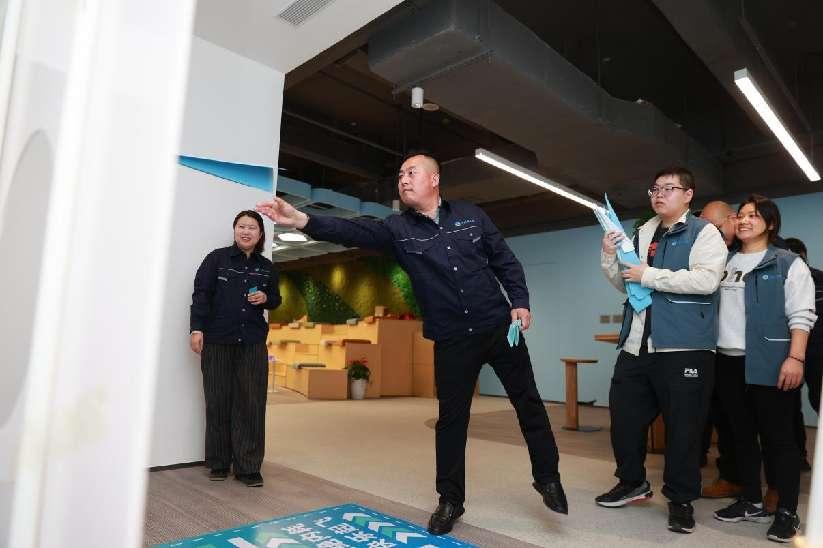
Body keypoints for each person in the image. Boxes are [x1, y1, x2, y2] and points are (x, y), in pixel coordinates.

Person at [256, 151, 567, 535]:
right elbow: (352, 230)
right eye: (400, 174)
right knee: (452, 421)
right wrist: (303, 219)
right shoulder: (397, 229)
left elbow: (505, 260)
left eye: (411, 173)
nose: (403, 179)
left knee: (528, 403)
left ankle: (548, 478)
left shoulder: (471, 214)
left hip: (499, 327)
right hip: (452, 338)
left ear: (434, 180)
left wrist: (519, 301)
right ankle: (450, 500)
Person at [599, 166, 727, 534]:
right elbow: (627, 283)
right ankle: (631, 482)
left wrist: (650, 275)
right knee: (624, 418)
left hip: (684, 345)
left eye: (669, 188)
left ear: (688, 195)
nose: (659, 194)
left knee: (684, 427)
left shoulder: (705, 233)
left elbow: (706, 280)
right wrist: (609, 256)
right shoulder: (643, 232)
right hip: (636, 343)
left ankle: (681, 499)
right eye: (655, 188)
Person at [712, 196, 816, 543]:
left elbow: (802, 314)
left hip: (771, 360)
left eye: (753, 216)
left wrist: (795, 358)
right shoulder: (724, 262)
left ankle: (786, 511)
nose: (744, 220)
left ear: (770, 224)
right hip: (727, 360)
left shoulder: (787, 263)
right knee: (740, 435)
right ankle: (752, 501)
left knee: (779, 439)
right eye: (740, 215)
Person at [190, 210, 282, 487]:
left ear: (260, 234)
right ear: (234, 230)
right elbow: (201, 295)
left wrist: (266, 297)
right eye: (241, 226)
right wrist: (196, 329)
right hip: (217, 340)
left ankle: (248, 467)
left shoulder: (266, 267)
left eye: (252, 227)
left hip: (252, 342)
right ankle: (219, 462)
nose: (246, 231)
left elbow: (276, 299)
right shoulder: (216, 259)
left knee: (251, 404)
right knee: (218, 400)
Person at [697, 201, 744, 499]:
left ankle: (772, 486)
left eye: (715, 228)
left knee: (751, 421)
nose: (711, 234)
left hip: (748, 352)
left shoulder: (751, 252)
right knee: (722, 417)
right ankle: (730, 477)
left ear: (732, 220)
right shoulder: (706, 254)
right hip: (713, 349)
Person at [785, 237, 822, 415]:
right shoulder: (780, 279)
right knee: (789, 403)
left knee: (817, 398)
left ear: (804, 256)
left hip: (817, 349)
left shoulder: (820, 278)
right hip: (789, 349)